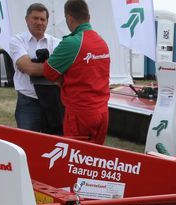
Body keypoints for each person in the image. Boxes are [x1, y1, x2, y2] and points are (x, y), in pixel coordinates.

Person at [40, 0, 110, 144]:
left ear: (69, 18)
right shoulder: (101, 41)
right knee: (96, 159)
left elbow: (49, 72)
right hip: (102, 111)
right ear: (88, 17)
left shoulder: (72, 42)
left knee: (76, 159)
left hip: (80, 113)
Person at [8, 3, 58, 132]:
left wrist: (30, 66)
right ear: (26, 19)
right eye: (35, 18)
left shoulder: (57, 43)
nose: (39, 22)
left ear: (47, 22)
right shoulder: (17, 41)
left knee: (51, 145)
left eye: (43, 19)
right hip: (28, 100)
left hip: (52, 101)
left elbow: (28, 67)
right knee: (27, 143)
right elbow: (28, 68)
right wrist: (52, 69)